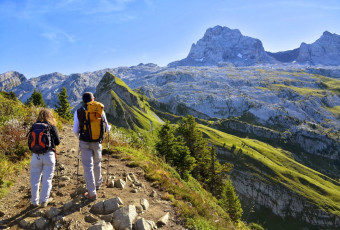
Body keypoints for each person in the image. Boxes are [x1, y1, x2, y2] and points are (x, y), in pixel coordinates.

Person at [73, 92, 111, 200]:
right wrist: (109, 128)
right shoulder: (100, 110)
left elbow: (75, 130)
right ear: (93, 99)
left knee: (87, 166)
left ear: (83, 100)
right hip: (97, 142)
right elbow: (107, 128)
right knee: (97, 163)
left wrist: (80, 138)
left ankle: (92, 192)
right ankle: (98, 183)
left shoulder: (79, 112)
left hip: (84, 142)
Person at [30, 109, 60, 208]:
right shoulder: (52, 126)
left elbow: (29, 143)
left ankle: (34, 201)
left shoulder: (34, 126)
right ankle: (44, 201)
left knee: (35, 179)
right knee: (47, 179)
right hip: (49, 155)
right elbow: (58, 142)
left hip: (36, 156)